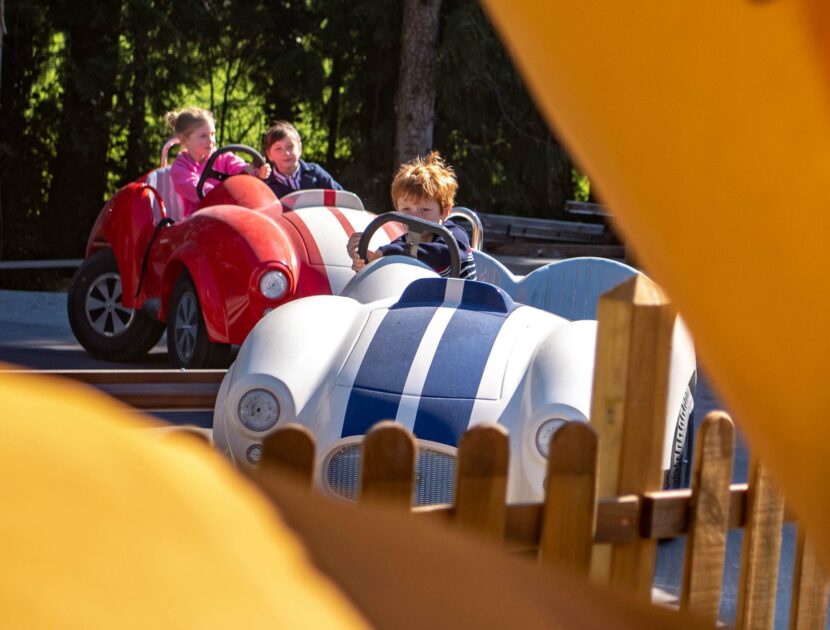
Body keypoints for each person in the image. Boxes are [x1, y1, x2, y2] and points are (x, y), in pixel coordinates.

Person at [346, 151, 476, 279]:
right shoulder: (406, 242)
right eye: (406, 209)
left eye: (425, 209)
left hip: (463, 299)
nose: (415, 217)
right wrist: (366, 261)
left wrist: (384, 254)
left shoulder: (454, 236)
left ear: (444, 211)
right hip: (427, 298)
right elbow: (393, 264)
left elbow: (441, 254)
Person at [165, 107, 271, 217]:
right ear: (185, 140)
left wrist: (255, 171)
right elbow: (197, 190)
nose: (211, 140)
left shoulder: (221, 157)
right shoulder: (180, 168)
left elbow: (239, 167)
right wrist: (228, 194)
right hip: (199, 220)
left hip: (231, 214)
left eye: (212, 134)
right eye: (203, 136)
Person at [262, 121, 342, 198]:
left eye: (290, 146)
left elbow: (341, 196)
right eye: (278, 149)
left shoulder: (314, 172)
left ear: (300, 148)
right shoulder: (266, 183)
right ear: (269, 155)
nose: (286, 153)